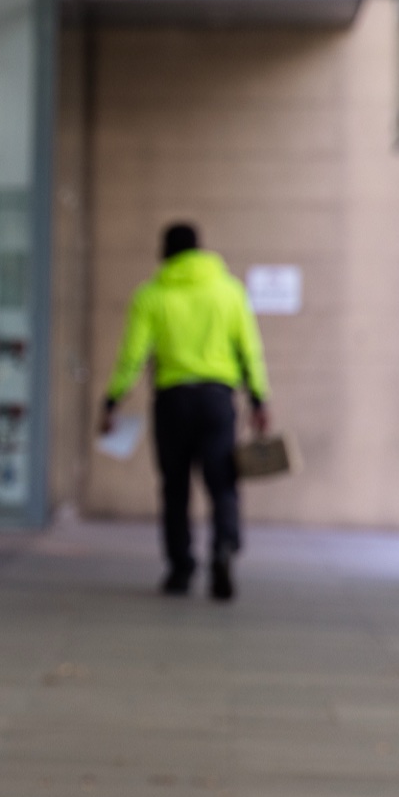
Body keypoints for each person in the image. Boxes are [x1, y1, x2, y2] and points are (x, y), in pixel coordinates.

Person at [103, 222, 271, 600]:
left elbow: (132, 356)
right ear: (200, 249)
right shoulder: (229, 291)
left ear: (164, 250)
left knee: (175, 487)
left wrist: (112, 400)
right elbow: (250, 350)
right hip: (217, 399)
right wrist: (259, 400)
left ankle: (180, 568)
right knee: (222, 483)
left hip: (173, 400)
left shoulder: (151, 295)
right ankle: (224, 547)